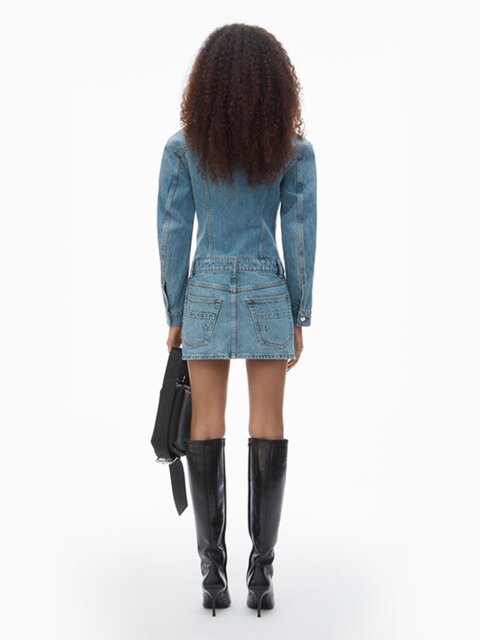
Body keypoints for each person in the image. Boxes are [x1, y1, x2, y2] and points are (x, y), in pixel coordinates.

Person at [156, 23, 317, 617]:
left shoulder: (183, 149)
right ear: (276, 85)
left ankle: (212, 575)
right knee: (268, 424)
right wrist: (298, 310)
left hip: (204, 294)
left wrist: (176, 311)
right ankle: (261, 576)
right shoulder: (293, 152)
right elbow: (298, 235)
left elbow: (174, 231)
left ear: (206, 83)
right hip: (267, 293)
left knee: (205, 425)